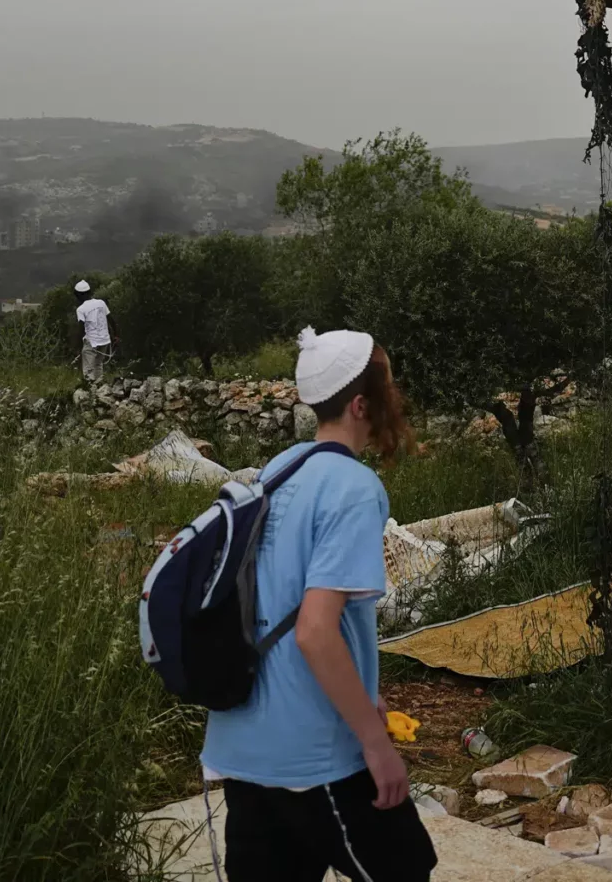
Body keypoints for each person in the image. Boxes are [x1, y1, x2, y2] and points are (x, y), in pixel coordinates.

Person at [201, 327, 434, 882]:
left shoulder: (280, 470)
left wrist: (364, 695)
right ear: (361, 405)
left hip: (243, 744)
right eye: (389, 389)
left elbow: (274, 600)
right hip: (313, 753)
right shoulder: (353, 488)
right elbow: (313, 632)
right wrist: (377, 747)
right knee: (407, 869)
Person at [74, 279, 113, 385]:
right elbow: (111, 319)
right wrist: (116, 335)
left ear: (78, 295)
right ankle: (100, 389)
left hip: (92, 342)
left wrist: (77, 348)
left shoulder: (81, 309)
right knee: (98, 365)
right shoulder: (101, 303)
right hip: (105, 340)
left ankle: (90, 393)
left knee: (88, 370)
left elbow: (81, 329)